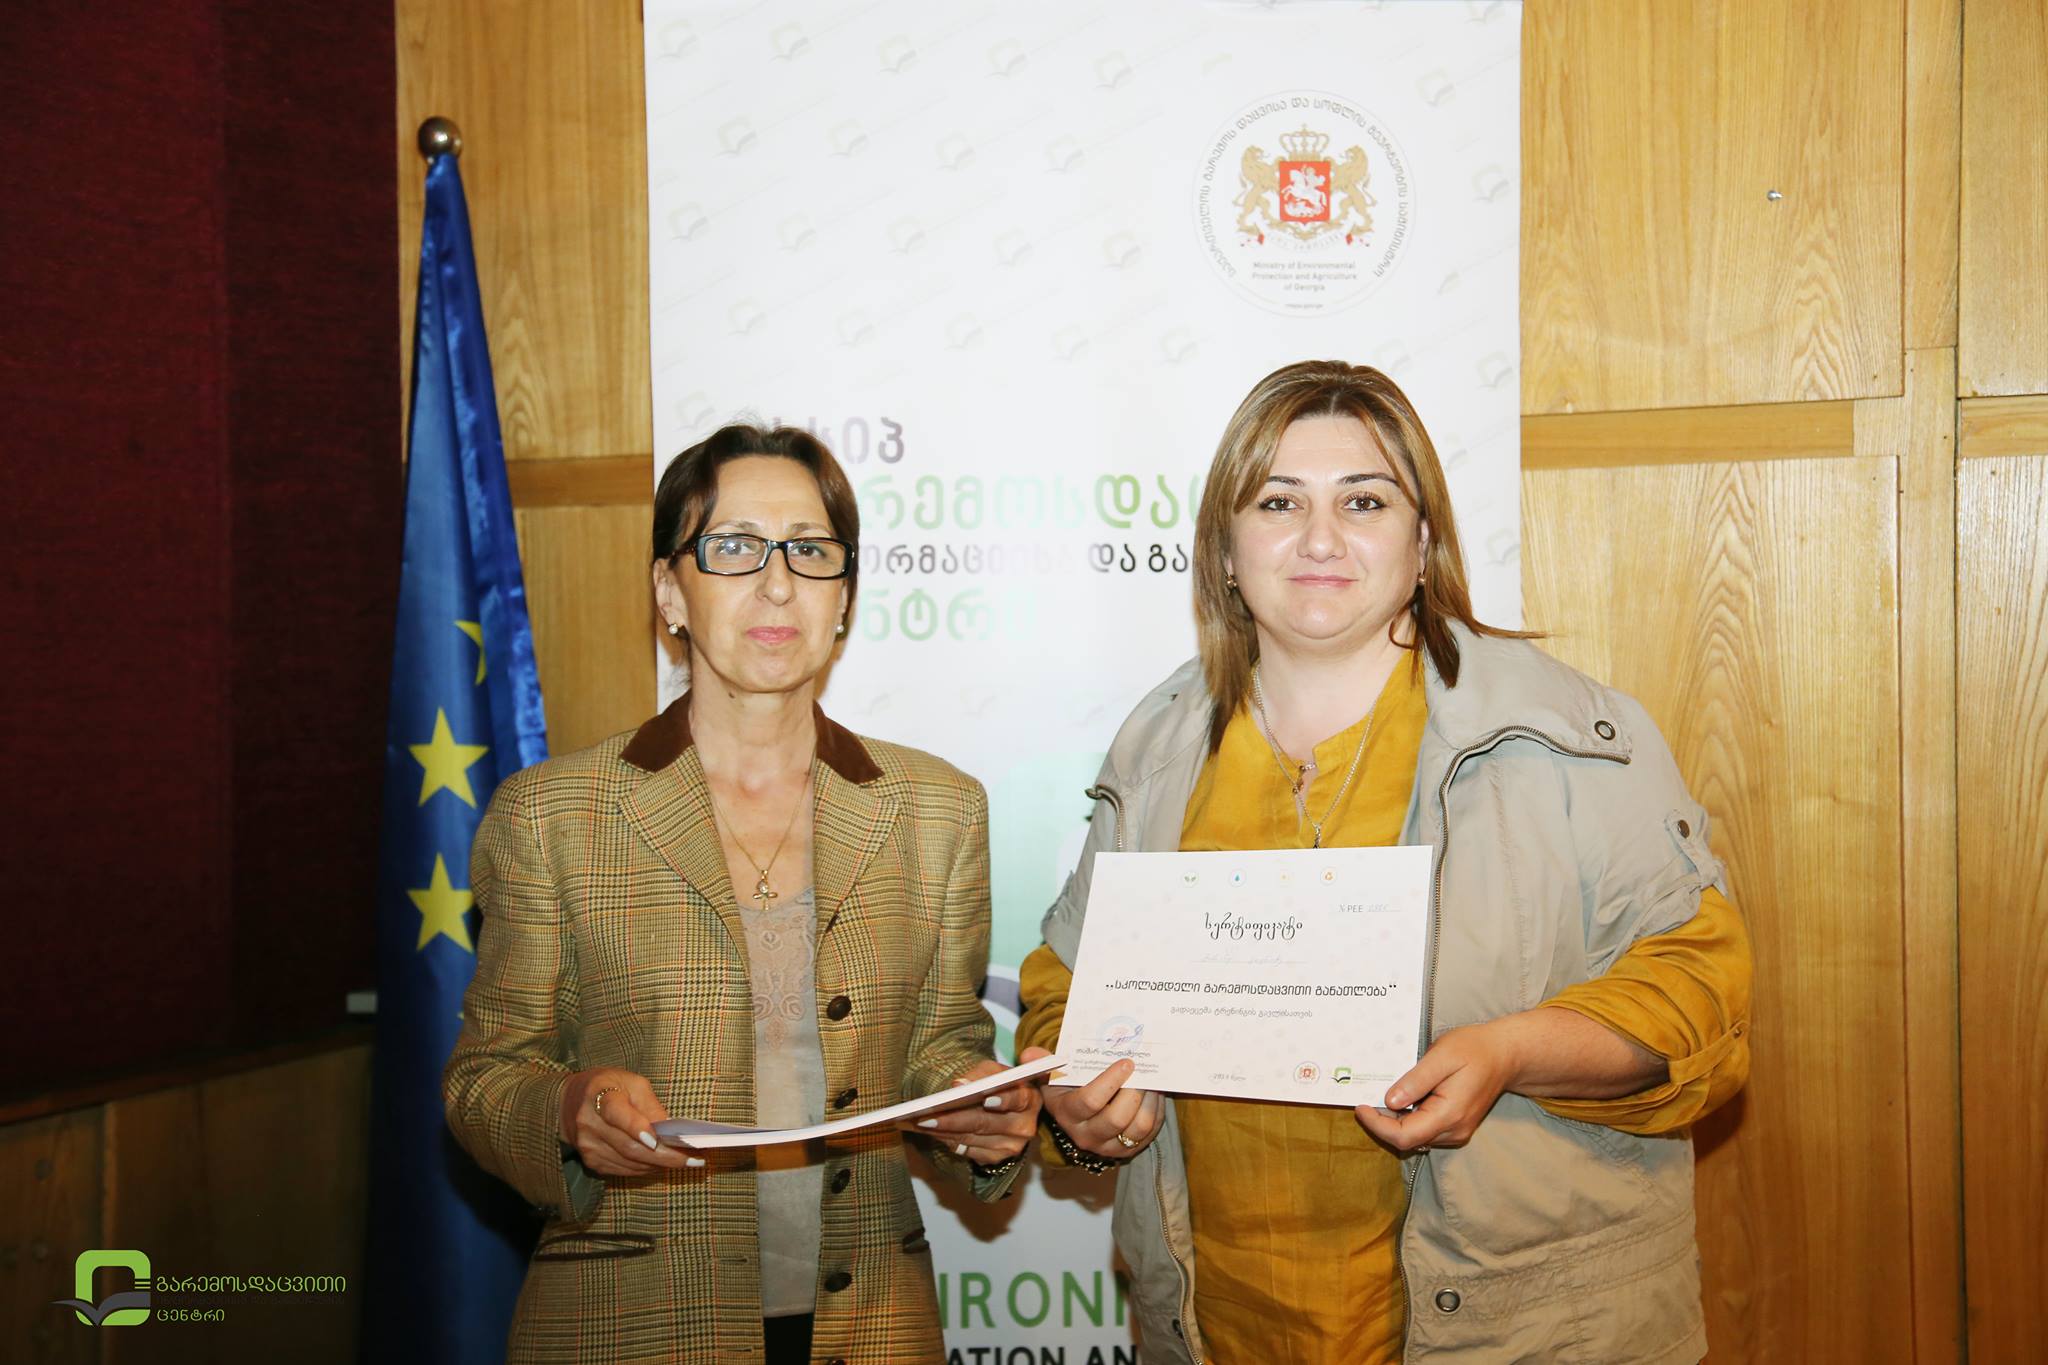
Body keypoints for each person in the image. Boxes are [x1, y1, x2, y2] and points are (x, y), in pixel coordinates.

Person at [1015, 361, 1751, 1363]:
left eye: (1363, 501)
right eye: (1277, 502)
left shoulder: (1562, 734)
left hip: (1511, 1334)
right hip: (1213, 1328)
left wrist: (1512, 1052)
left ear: (1423, 543)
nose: (1320, 538)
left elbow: (1704, 993)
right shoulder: (1159, 745)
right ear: (1225, 550)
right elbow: (1067, 978)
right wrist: (1075, 1095)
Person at [445, 423, 1040, 1365]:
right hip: (628, 1327)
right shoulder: (552, 815)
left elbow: (939, 1049)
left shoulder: (939, 809)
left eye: (810, 551)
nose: (777, 583)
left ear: (844, 597)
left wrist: (976, 1107)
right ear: (669, 590)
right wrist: (568, 1108)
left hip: (871, 1323)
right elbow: (484, 1081)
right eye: (733, 547)